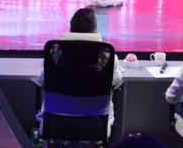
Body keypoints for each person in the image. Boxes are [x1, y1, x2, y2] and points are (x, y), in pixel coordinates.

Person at [36, 8, 123, 137]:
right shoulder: (106, 55)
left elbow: (43, 80)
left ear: (71, 30)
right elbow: (116, 80)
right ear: (95, 31)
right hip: (96, 127)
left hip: (55, 124)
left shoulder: (56, 54)